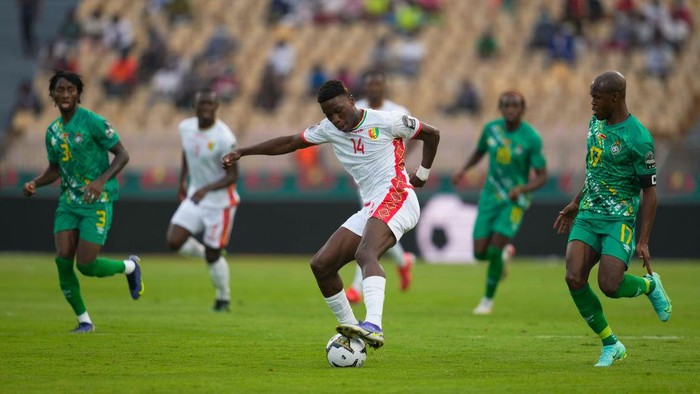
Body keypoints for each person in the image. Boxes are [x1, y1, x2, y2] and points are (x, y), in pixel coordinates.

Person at [222, 80, 440, 349]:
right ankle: (352, 331)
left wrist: (422, 175)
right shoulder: (329, 129)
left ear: (350, 99)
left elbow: (432, 134)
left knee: (365, 253)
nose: (335, 120)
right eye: (328, 115)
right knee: (322, 265)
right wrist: (243, 151)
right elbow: (290, 142)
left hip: (399, 195)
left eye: (338, 111)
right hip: (372, 204)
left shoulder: (387, 121)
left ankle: (373, 324)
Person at [553, 70, 672, 367]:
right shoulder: (595, 122)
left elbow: (650, 192)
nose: (592, 103)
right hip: (589, 213)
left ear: (616, 97)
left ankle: (650, 286)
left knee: (610, 285)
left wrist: (643, 240)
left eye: (597, 97)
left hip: (619, 219)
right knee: (573, 277)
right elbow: (596, 171)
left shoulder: (638, 139)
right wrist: (576, 202)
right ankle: (611, 344)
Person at [22, 70, 143, 333]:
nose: (65, 94)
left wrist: (100, 181)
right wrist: (35, 182)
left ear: (78, 94)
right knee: (63, 260)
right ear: (52, 95)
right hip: (68, 202)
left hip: (98, 200)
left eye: (70, 90)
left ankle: (130, 267)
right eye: (60, 90)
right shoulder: (52, 132)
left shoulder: (93, 122)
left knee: (86, 265)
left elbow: (123, 155)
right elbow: (54, 169)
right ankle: (85, 320)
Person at [452, 91, 547, 315]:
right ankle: (504, 255)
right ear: (500, 108)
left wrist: (522, 189)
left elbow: (542, 175)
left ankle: (487, 300)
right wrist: (464, 169)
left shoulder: (531, 137)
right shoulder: (491, 129)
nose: (510, 109)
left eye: (515, 105)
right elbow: (479, 151)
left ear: (522, 109)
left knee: (494, 250)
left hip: (514, 200)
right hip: (489, 197)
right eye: (506, 105)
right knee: (479, 253)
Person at [345, 70, 416, 304]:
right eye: (371, 84)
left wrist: (402, 160)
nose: (374, 88)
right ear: (365, 88)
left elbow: (416, 135)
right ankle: (403, 261)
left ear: (384, 87)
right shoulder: (357, 110)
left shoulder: (397, 111)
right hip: (366, 181)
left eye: (378, 84)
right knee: (374, 227)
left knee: (370, 229)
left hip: (389, 180)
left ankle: (356, 288)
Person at [166, 90, 239, 312]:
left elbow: (232, 175)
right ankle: (211, 253)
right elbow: (187, 153)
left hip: (220, 203)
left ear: (217, 107)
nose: (206, 107)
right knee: (174, 241)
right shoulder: (185, 128)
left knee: (213, 254)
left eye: (210, 103)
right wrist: (182, 181)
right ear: (194, 106)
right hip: (196, 196)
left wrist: (206, 188)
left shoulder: (224, 137)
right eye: (202, 103)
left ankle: (223, 298)